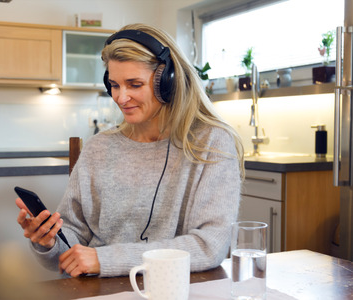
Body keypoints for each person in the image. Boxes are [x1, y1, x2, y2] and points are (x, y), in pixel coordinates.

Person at [16, 23, 244, 278]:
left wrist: (105, 260)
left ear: (167, 82)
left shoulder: (211, 144)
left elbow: (209, 246)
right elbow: (71, 243)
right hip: (97, 291)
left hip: (173, 290)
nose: (121, 98)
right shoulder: (98, 147)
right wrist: (47, 242)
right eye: (114, 84)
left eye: (134, 84)